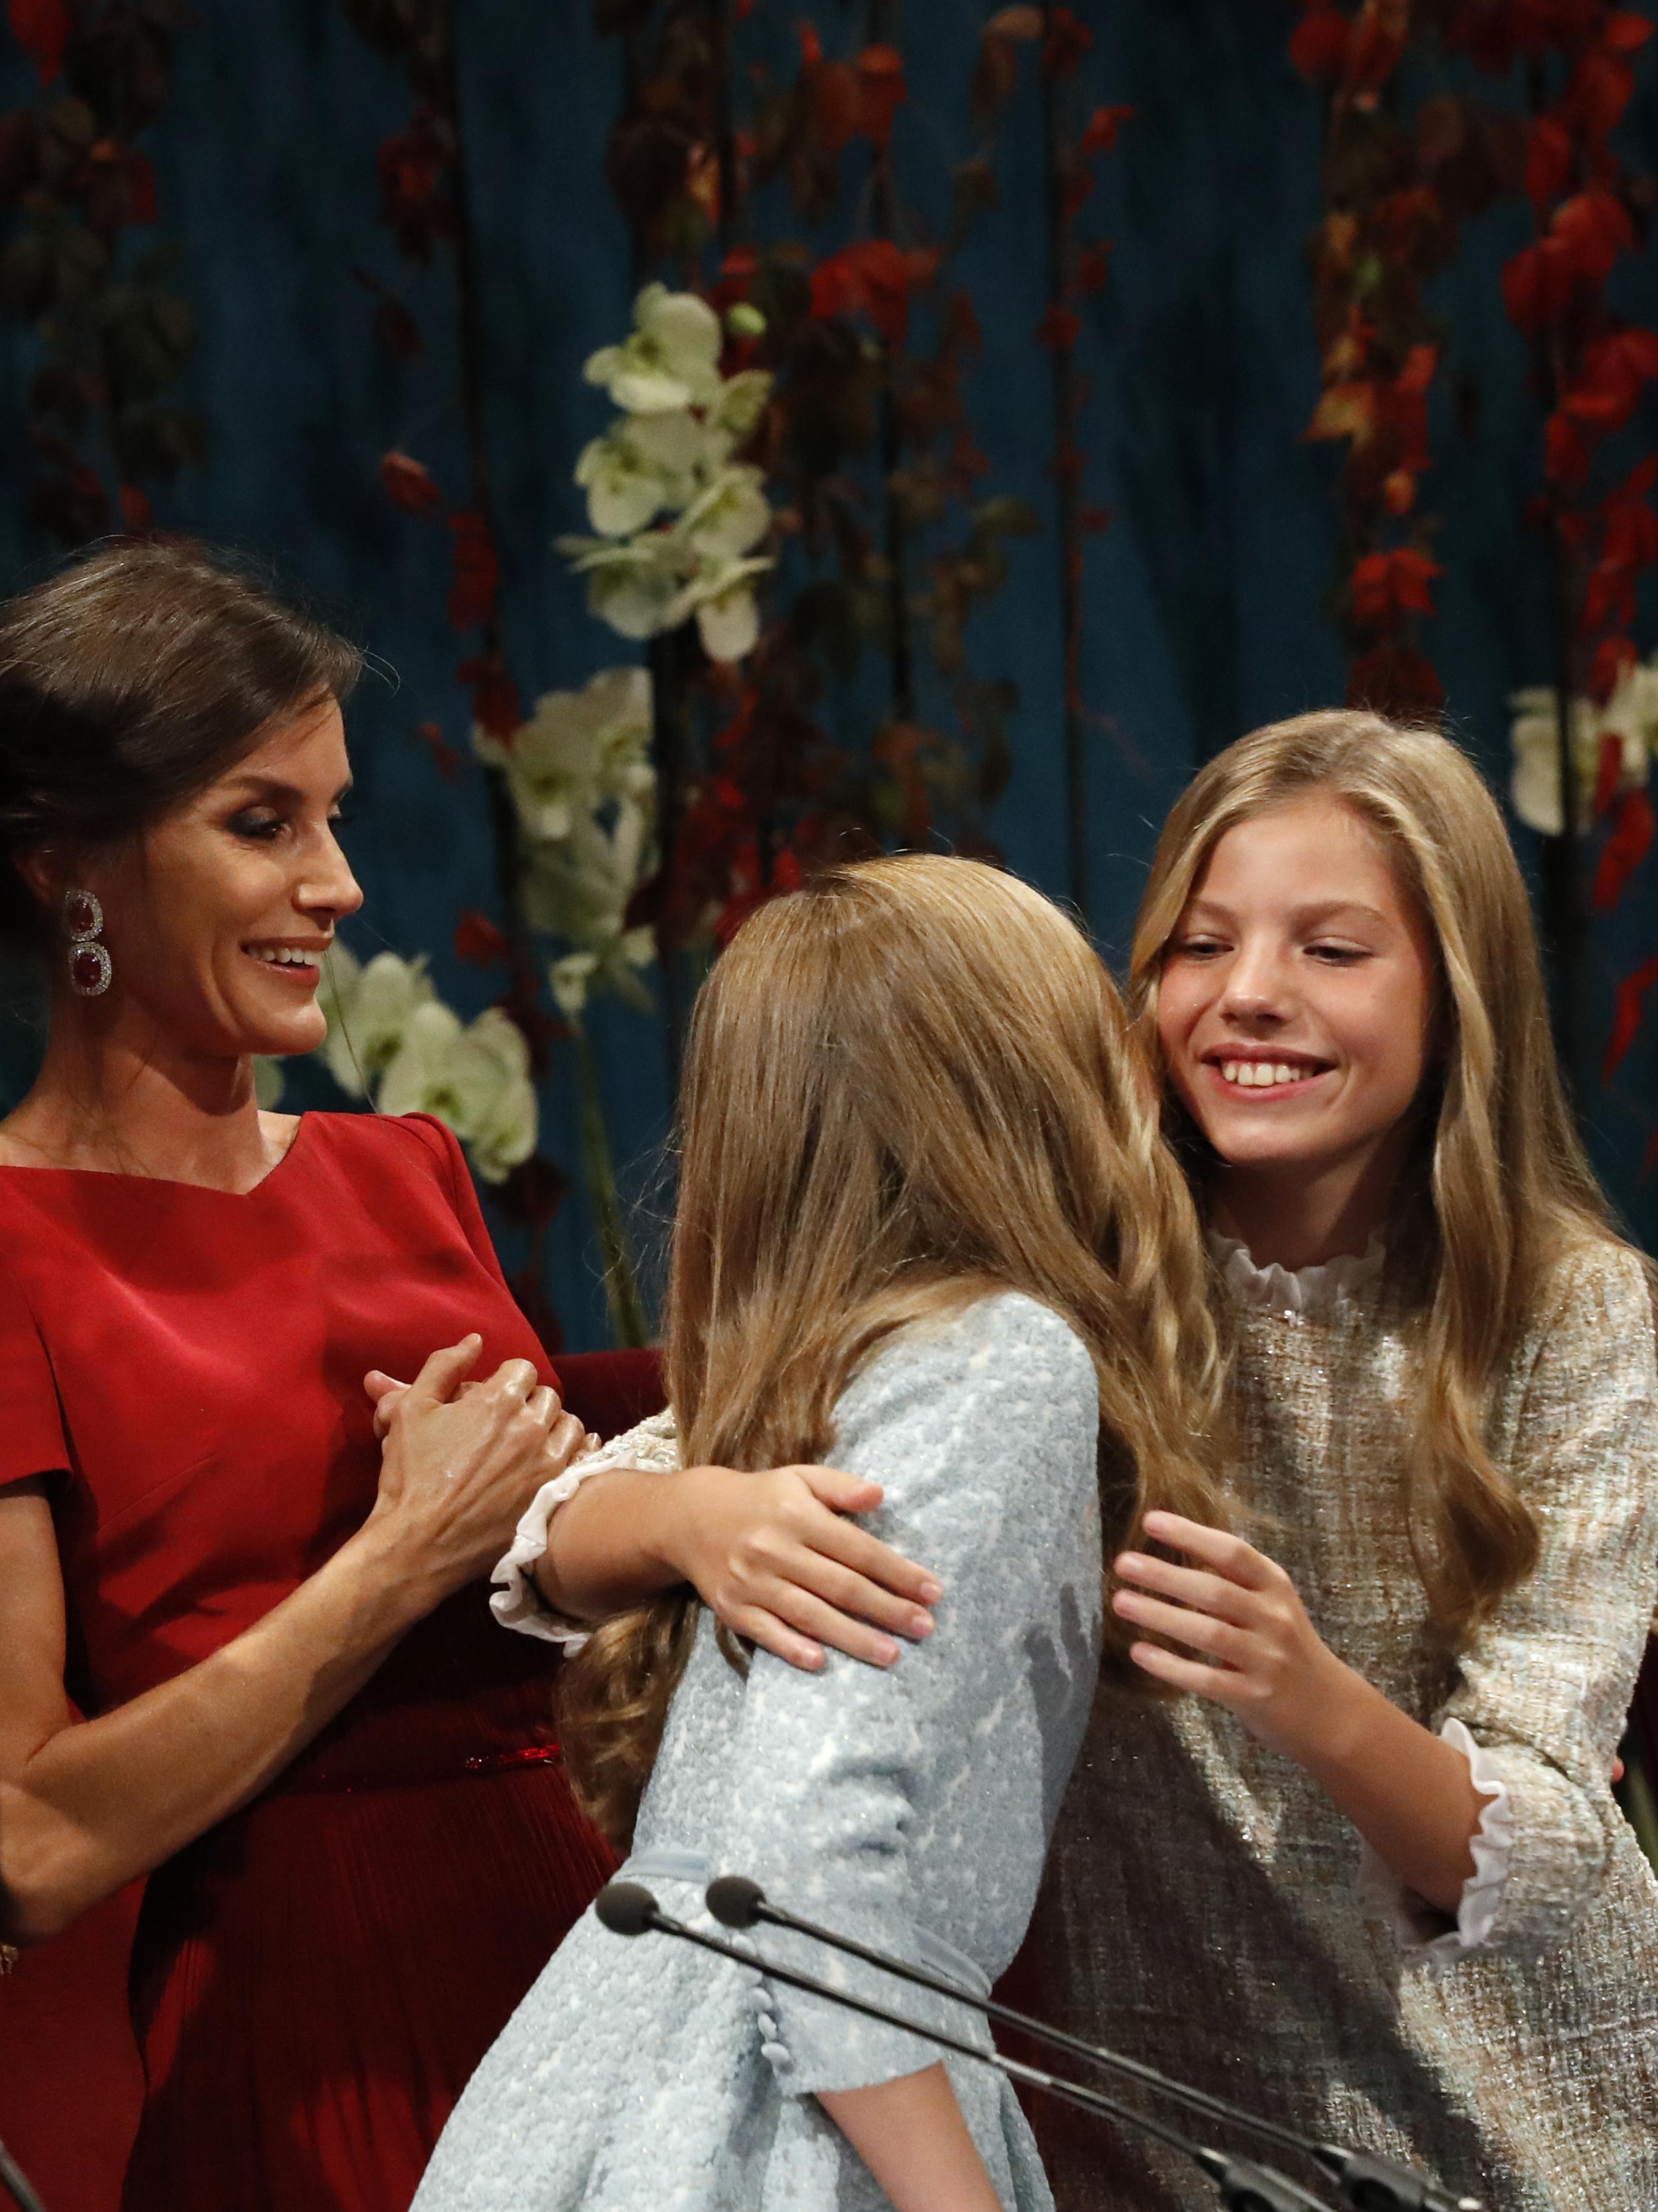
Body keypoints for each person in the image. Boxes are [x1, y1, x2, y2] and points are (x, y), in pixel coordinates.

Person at [517, 712, 1658, 2212]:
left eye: (1331, 949)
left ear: (1460, 995)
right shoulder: (1063, 1276)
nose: (1248, 994)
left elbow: (1544, 1846)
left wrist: (1304, 1690)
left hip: (1527, 2113)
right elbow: (568, 1530)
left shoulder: (1556, 1307)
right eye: (1198, 943)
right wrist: (698, 1512)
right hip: (1177, 2108)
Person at [0, 541, 613, 2212]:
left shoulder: (405, 1169)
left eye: (332, 816)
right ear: (65, 870)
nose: (338, 882)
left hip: (594, 1961)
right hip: (315, 2034)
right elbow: (22, 1844)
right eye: (263, 824)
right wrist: (393, 1563)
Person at [416, 855, 1223, 2212]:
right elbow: (807, 1878)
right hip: (784, 2119)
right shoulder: (999, 1361)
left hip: (605, 2079)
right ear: (1025, 1091)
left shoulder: (818, 1374)